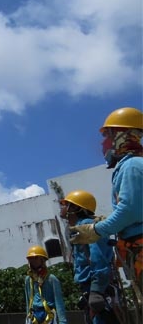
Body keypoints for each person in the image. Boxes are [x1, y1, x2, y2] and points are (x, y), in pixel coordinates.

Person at [70, 107, 143, 295]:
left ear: (122, 135)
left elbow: (129, 211)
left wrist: (96, 230)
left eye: (107, 135)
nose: (103, 143)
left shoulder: (132, 165)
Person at [61, 190, 116, 324]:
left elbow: (98, 259)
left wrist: (96, 290)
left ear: (76, 208)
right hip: (89, 286)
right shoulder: (79, 228)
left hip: (96, 285)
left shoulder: (87, 227)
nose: (62, 208)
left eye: (66, 205)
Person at [24, 245, 67, 324]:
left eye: (36, 258)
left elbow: (59, 302)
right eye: (30, 258)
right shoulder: (28, 280)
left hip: (49, 315)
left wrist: (62, 322)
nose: (33, 260)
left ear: (42, 259)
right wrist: (27, 319)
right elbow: (28, 300)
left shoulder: (51, 279)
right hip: (34, 315)